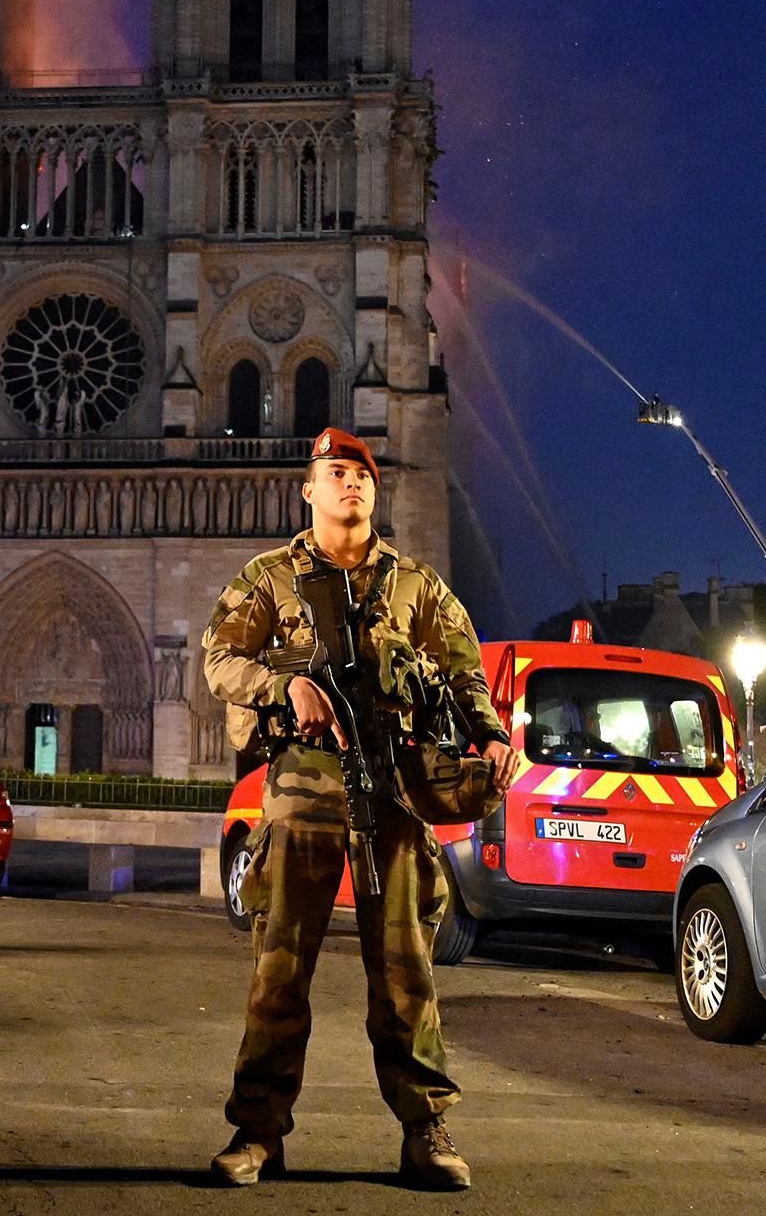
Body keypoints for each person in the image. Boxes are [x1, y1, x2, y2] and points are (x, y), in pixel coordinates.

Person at [202, 427, 524, 1191]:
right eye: (335, 472)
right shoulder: (268, 579)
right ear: (307, 489)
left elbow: (462, 670)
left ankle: (424, 1132)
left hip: (394, 789)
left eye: (361, 475)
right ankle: (256, 1133)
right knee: (279, 968)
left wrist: (488, 736)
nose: (351, 484)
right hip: (303, 789)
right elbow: (220, 659)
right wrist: (287, 686)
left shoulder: (416, 585)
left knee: (406, 969)